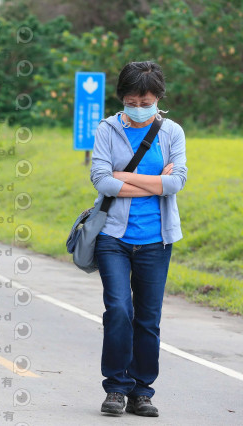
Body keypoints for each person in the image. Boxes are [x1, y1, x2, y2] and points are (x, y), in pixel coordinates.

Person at [91, 61, 187, 417]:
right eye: (132, 100)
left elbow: (177, 182)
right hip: (113, 237)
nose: (139, 107)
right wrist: (155, 185)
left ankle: (142, 391)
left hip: (156, 240)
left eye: (146, 101)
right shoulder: (107, 129)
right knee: (118, 310)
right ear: (122, 98)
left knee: (148, 318)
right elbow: (102, 181)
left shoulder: (172, 132)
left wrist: (126, 179)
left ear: (158, 99)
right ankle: (116, 387)